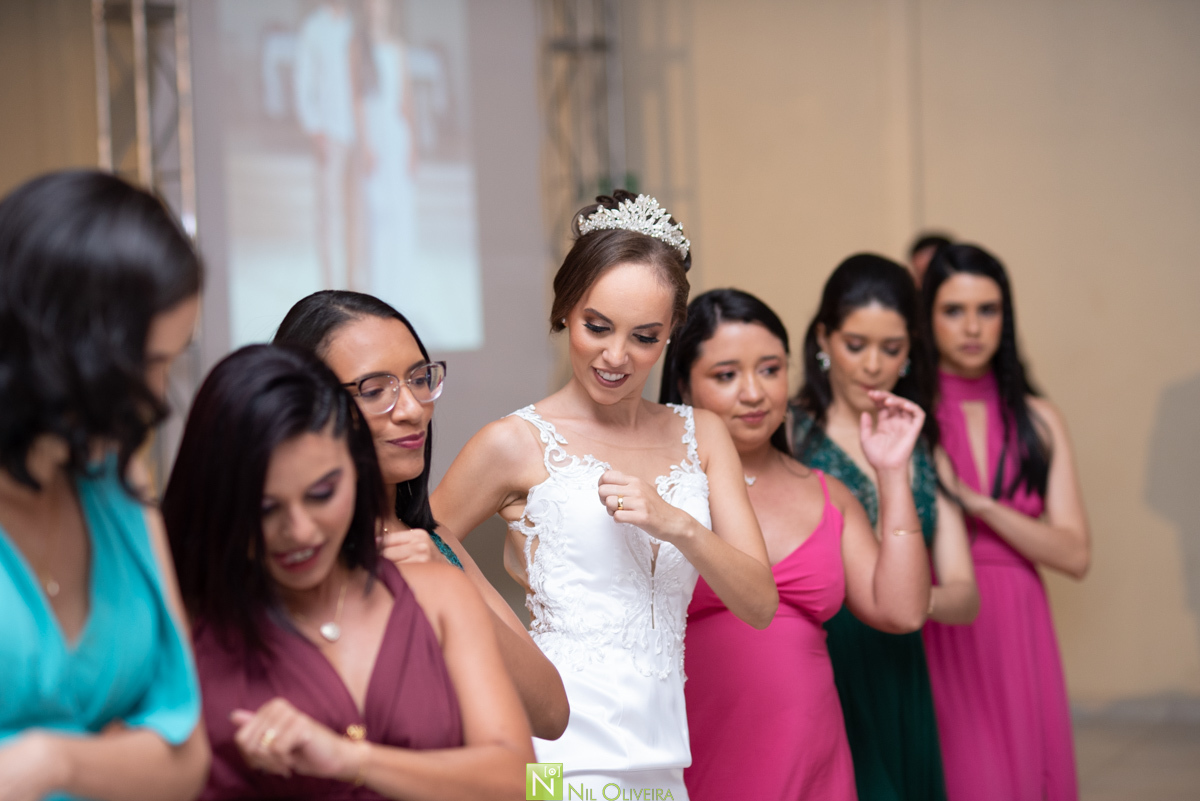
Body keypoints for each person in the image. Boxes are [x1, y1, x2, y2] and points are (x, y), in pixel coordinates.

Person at [431, 192, 778, 796]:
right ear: (566, 311)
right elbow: (419, 544)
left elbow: (759, 603)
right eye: (597, 327)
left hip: (664, 753)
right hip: (558, 752)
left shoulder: (704, 435)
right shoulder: (513, 441)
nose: (616, 356)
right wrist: (503, 627)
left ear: (672, 331)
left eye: (644, 337)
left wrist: (677, 524)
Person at [162, 345, 533, 800]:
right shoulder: (186, 627)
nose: (299, 531)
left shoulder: (437, 595)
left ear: (355, 473)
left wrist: (351, 760)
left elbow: (518, 781)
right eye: (265, 508)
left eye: (321, 493)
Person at [660, 289, 934, 801]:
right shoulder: (656, 493)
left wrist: (893, 473)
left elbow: (902, 611)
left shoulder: (827, 493)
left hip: (811, 754)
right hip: (693, 749)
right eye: (725, 375)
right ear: (683, 383)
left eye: (770, 369)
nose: (754, 393)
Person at [273, 290, 569, 740]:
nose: (413, 409)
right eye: (375, 391)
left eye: (418, 379)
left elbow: (550, 714)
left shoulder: (434, 541)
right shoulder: (298, 548)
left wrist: (450, 587)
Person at [0, 170, 208, 800]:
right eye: (147, 366)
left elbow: (186, 761)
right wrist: (116, 756)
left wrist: (48, 761)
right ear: (60, 348)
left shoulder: (116, 482)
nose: (157, 401)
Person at [791, 254, 979, 801]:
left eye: (891, 349)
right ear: (823, 339)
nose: (873, 364)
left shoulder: (923, 448)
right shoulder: (789, 437)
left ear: (911, 350)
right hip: (822, 665)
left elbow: (966, 596)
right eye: (856, 344)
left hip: (901, 669)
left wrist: (908, 601)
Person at [921, 244, 1088, 801]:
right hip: (940, 616)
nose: (972, 327)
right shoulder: (905, 414)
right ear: (927, 317)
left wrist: (982, 505)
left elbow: (1074, 554)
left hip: (1018, 621)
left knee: (1024, 775)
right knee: (969, 778)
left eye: (988, 310)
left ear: (1006, 318)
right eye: (953, 310)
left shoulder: (1039, 418)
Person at [356, 0, 420, 306]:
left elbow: (406, 99)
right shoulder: (357, 46)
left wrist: (413, 145)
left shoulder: (398, 48)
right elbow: (356, 99)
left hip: (396, 136)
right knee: (376, 213)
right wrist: (365, 143)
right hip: (373, 134)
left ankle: (402, 288)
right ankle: (378, 289)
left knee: (401, 213)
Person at [294, 0, 359, 289]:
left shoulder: (356, 25)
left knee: (356, 215)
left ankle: (355, 284)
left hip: (360, 134)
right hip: (330, 133)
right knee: (329, 215)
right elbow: (303, 81)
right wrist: (315, 129)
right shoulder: (313, 28)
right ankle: (331, 287)